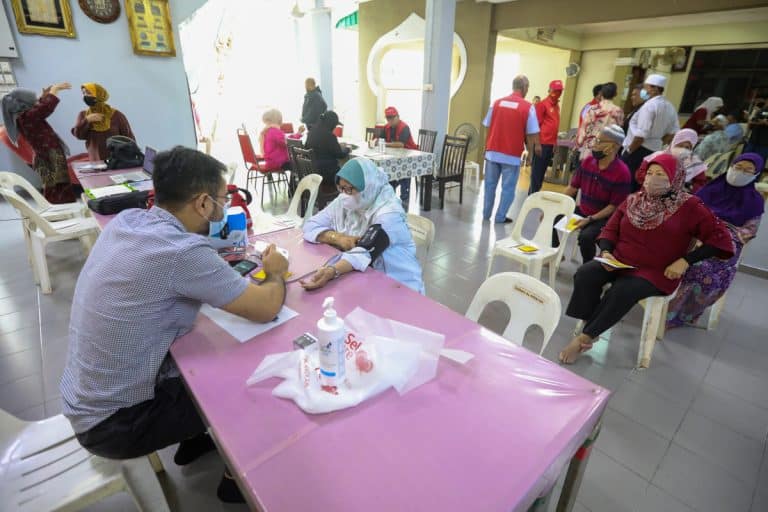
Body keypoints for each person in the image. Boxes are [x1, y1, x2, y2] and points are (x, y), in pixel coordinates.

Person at [60, 147, 289, 503]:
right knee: (252, 381)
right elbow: (265, 308)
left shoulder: (128, 221)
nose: (222, 208)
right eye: (221, 199)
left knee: (197, 359)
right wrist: (276, 273)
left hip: (83, 401)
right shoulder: (183, 253)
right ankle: (235, 483)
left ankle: (192, 442)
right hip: (115, 426)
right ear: (202, 204)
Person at [559, 152, 733, 364]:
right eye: (650, 173)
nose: (652, 179)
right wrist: (606, 251)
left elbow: (721, 239)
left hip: (657, 270)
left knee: (623, 289)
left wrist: (686, 260)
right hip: (619, 260)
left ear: (675, 178)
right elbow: (610, 230)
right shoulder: (634, 199)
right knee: (585, 274)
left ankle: (585, 337)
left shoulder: (691, 206)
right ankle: (591, 323)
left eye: (661, 174)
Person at [666, 153, 764, 328]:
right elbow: (689, 213)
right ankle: (655, 302)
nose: (741, 172)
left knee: (702, 270)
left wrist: (717, 236)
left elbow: (748, 231)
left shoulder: (755, 201)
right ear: (731, 166)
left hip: (725, 244)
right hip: (695, 234)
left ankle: (679, 315)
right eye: (738, 167)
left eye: (748, 170)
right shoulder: (710, 189)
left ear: (756, 174)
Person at [300, 157, 424, 293]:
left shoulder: (388, 213)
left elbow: (364, 251)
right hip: (366, 275)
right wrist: (337, 238)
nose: (344, 194)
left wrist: (331, 271)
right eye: (341, 188)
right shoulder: (345, 200)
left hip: (398, 283)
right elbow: (310, 225)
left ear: (368, 186)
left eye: (349, 189)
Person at [560, 124, 632, 262]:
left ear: (613, 146)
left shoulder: (622, 173)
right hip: (583, 211)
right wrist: (556, 206)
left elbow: (614, 207)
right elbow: (573, 187)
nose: (594, 145)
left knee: (586, 237)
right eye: (595, 140)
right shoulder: (588, 162)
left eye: (599, 141)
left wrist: (590, 219)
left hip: (603, 218)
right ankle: (556, 252)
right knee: (552, 216)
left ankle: (588, 266)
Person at [1, 83, 76, 203]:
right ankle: (56, 212)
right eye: (34, 100)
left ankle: (63, 209)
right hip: (49, 156)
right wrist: (54, 90)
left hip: (48, 154)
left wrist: (44, 95)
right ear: (23, 104)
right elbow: (45, 107)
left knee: (59, 185)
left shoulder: (23, 116)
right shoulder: (27, 117)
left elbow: (38, 107)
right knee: (56, 187)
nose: (37, 101)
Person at [482, 74, 541, 223]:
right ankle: (500, 217)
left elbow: (487, 127)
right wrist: (530, 155)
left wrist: (486, 147)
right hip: (511, 156)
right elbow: (532, 134)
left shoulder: (496, 103)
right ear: (524, 88)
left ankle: (486, 215)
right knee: (508, 189)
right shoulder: (528, 107)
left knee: (489, 186)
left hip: (492, 153)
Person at [621, 74, 679, 191]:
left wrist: (629, 151)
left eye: (646, 88)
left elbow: (640, 136)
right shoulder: (670, 106)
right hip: (655, 150)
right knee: (640, 184)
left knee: (628, 183)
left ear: (655, 89)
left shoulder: (649, 106)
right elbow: (673, 132)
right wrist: (658, 140)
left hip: (638, 150)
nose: (644, 91)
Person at [71, 83, 135, 161]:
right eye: (83, 93)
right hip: (96, 162)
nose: (85, 96)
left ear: (99, 94)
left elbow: (128, 137)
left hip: (117, 161)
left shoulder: (116, 115)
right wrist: (87, 120)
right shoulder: (83, 115)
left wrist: (133, 157)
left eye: (88, 93)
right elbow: (79, 135)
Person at [637, 128, 708, 193]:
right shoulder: (657, 156)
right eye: (680, 145)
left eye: (687, 147)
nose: (683, 150)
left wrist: (687, 188)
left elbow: (701, 183)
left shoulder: (694, 162)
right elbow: (640, 175)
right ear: (673, 144)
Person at [381, 106, 419, 207]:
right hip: (394, 155)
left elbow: (400, 144)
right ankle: (390, 193)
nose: (390, 120)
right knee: (387, 169)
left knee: (404, 171)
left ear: (398, 116)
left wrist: (385, 144)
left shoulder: (404, 127)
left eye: (392, 117)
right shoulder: (386, 127)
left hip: (409, 155)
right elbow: (381, 139)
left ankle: (404, 198)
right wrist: (377, 141)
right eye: (388, 118)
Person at [530, 79, 564, 194]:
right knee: (536, 175)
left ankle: (535, 196)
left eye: (560, 91)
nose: (557, 93)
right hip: (541, 145)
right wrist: (537, 144)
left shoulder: (556, 107)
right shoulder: (542, 105)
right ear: (549, 90)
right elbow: (536, 126)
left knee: (541, 174)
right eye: (555, 91)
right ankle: (532, 197)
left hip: (550, 145)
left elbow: (555, 127)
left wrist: (555, 143)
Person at [576, 82, 625, 160]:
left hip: (590, 147)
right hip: (606, 149)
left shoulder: (593, 108)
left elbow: (583, 128)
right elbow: (618, 132)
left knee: (587, 168)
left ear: (601, 94)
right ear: (615, 94)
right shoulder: (618, 111)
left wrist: (579, 142)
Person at [304, 110, 350, 186]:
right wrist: (348, 148)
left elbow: (308, 147)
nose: (335, 127)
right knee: (350, 174)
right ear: (331, 124)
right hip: (327, 175)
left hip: (313, 173)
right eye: (335, 125)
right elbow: (340, 155)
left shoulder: (312, 131)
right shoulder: (329, 136)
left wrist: (337, 145)